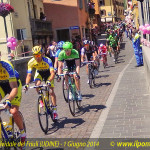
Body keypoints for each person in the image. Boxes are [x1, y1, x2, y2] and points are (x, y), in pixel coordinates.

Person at [24, 46, 58, 121]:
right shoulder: (31, 62)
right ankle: (41, 99)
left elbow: (52, 73)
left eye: (38, 55)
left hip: (48, 74)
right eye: (35, 56)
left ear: (42, 54)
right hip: (39, 72)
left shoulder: (48, 60)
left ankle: (55, 110)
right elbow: (29, 75)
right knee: (37, 85)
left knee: (51, 91)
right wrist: (26, 84)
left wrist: (49, 81)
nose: (37, 57)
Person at [0, 51, 26, 147]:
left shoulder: (6, 65)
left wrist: (8, 99)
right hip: (1, 86)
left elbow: (14, 87)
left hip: (13, 85)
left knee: (14, 111)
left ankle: (23, 133)